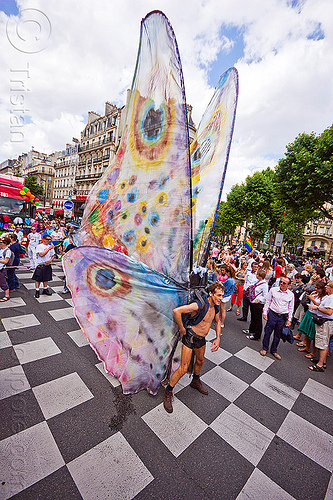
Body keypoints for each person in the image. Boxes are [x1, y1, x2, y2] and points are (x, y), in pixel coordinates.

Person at [163, 282, 223, 413]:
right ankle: (168, 392)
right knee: (183, 368)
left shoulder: (216, 307)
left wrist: (218, 338)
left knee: (200, 361)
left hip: (201, 339)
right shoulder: (199, 304)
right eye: (218, 295)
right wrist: (182, 328)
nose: (221, 298)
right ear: (211, 294)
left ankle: (195, 381)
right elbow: (177, 311)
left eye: (222, 295)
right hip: (190, 336)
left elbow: (218, 322)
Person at [260, 276, 294, 359]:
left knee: (278, 334)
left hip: (282, 317)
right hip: (272, 314)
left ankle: (274, 350)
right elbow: (268, 301)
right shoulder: (273, 290)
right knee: (268, 331)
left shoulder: (291, 295)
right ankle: (265, 348)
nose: (281, 284)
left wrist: (289, 319)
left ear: (288, 285)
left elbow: (291, 308)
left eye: (284, 283)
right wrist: (265, 312)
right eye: (281, 282)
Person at [308, 281, 333, 372]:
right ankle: (323, 361)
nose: (326, 287)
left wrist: (317, 308)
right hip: (326, 322)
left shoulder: (331, 298)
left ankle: (320, 365)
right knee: (324, 343)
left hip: (325, 322)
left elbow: (329, 312)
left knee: (322, 343)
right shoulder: (329, 297)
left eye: (328, 286)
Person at [244, 269, 268, 341]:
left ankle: (257, 335)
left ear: (260, 276)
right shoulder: (257, 282)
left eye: (258, 274)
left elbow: (265, 295)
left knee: (258, 320)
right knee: (253, 317)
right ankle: (251, 330)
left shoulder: (264, 285)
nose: (256, 275)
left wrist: (260, 300)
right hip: (253, 302)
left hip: (258, 304)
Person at [0, 237, 12, 301]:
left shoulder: (7, 251)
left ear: (5, 243)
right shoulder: (1, 250)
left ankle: (7, 295)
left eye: (1, 242)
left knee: (3, 282)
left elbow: (5, 261)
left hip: (2, 269)